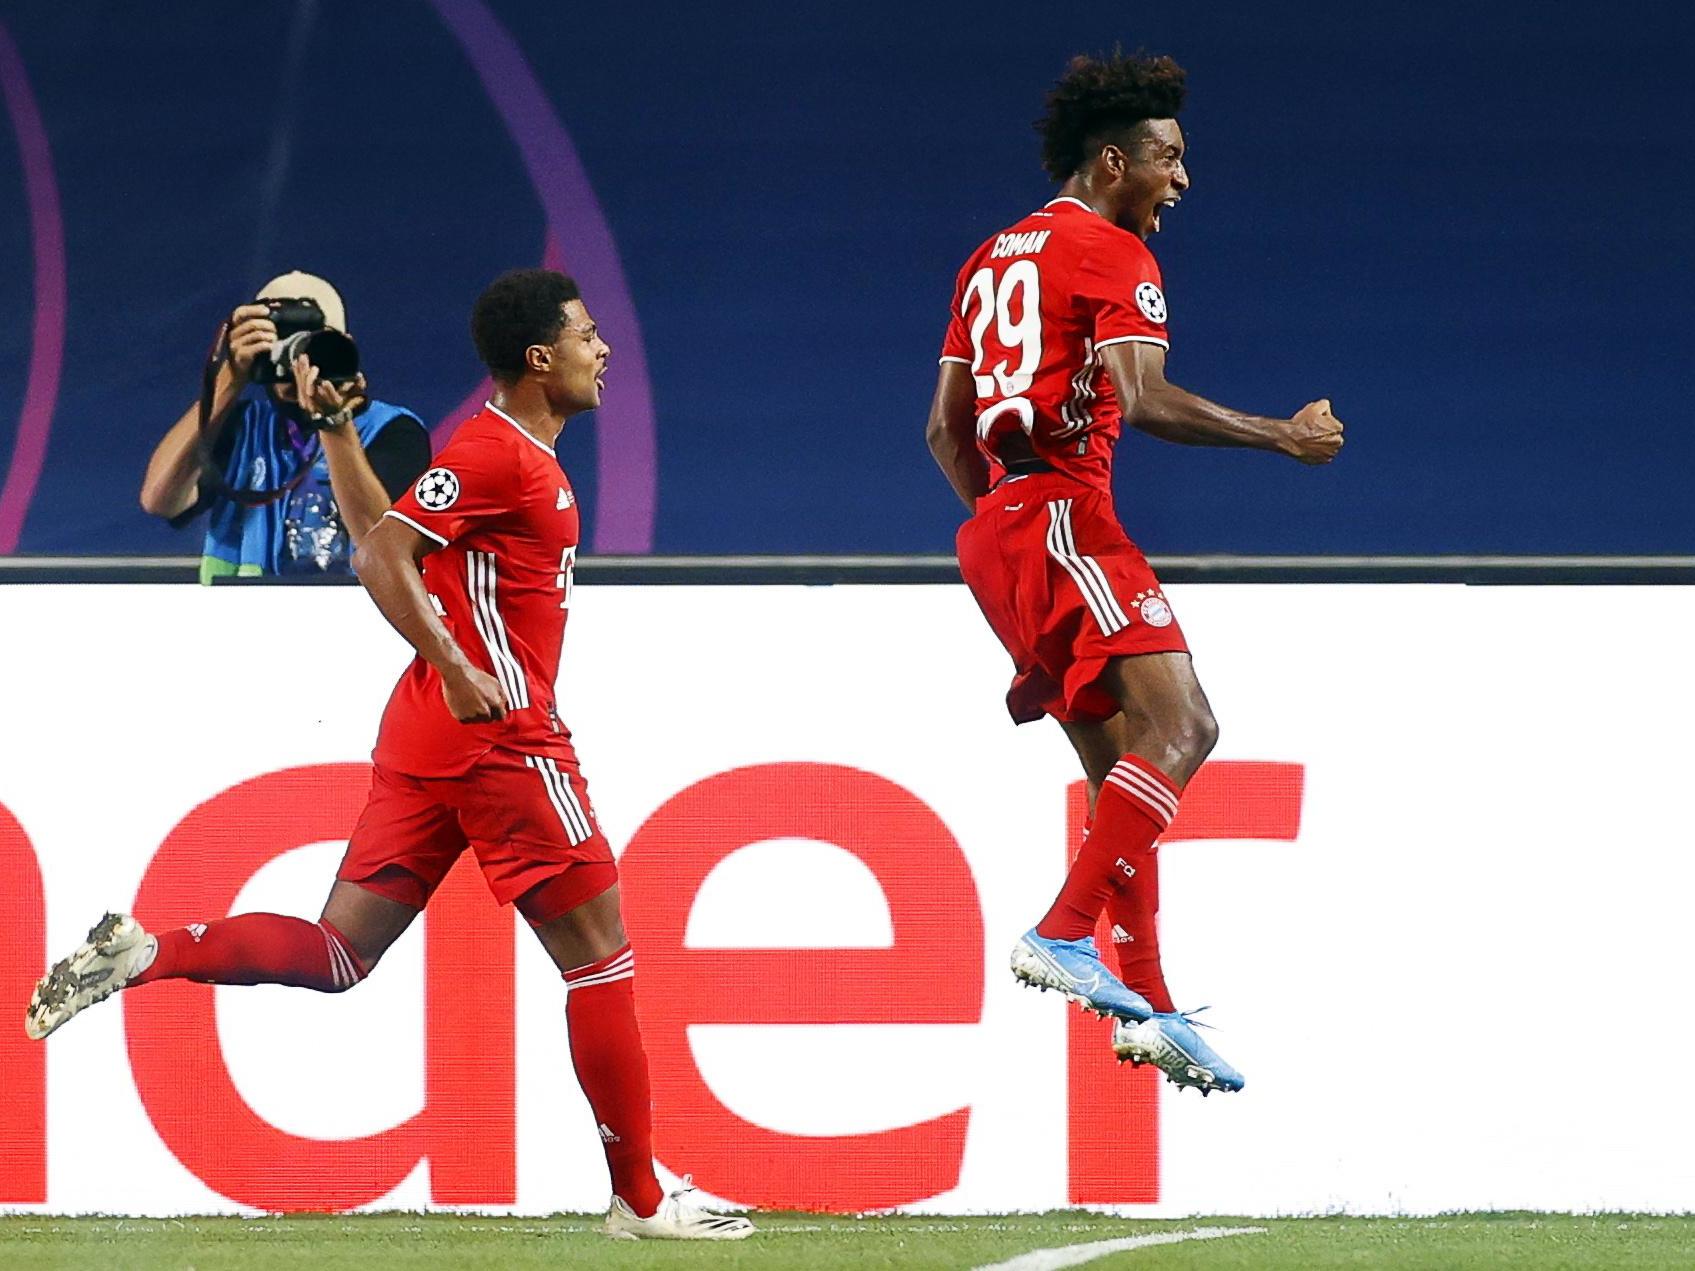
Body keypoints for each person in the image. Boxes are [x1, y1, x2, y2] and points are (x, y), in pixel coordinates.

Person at [30, 269, 754, 1241]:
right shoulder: (507, 458)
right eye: (587, 335)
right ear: (541, 359)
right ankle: (641, 1199)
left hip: (425, 737)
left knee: (340, 951)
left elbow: (383, 530)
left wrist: (335, 432)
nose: (603, 347)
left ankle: (149, 950)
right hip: (500, 738)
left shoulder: (503, 452)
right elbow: (380, 559)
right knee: (600, 955)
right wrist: (459, 666)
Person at [926, 53, 1344, 1095]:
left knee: (1121, 777)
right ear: (1115, 161)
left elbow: (943, 428)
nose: (1182, 180)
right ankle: (1064, 933)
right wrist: (1280, 436)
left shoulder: (988, 257)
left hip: (999, 531)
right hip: (1065, 512)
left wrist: (1005, 514)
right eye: (1169, 158)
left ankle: (1149, 1000)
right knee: (1188, 729)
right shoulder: (1109, 252)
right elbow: (1143, 396)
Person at [140, 271, 431, 582]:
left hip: (348, 624)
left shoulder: (393, 430)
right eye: (278, 346)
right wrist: (231, 378)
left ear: (342, 347)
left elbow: (381, 544)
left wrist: (333, 424)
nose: (294, 364)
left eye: (308, 346)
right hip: (239, 623)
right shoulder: (242, 426)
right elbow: (159, 499)